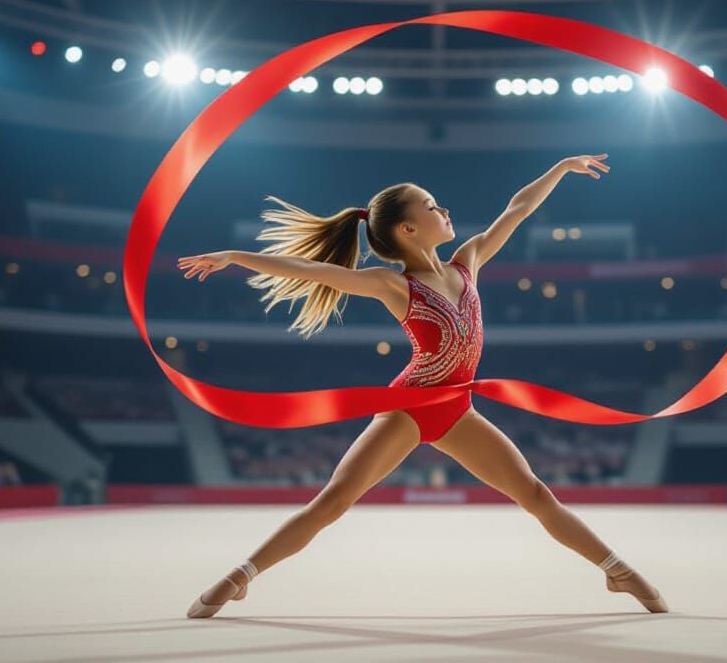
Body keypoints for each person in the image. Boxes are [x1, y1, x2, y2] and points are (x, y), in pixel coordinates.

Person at [176, 154, 668, 617]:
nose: (445, 209)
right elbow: (312, 270)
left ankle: (617, 572)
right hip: (409, 406)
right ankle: (241, 576)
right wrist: (237, 256)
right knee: (333, 502)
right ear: (408, 229)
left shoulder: (468, 261)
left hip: (459, 409)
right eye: (432, 206)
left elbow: (517, 209)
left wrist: (560, 168)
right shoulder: (393, 286)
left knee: (536, 494)